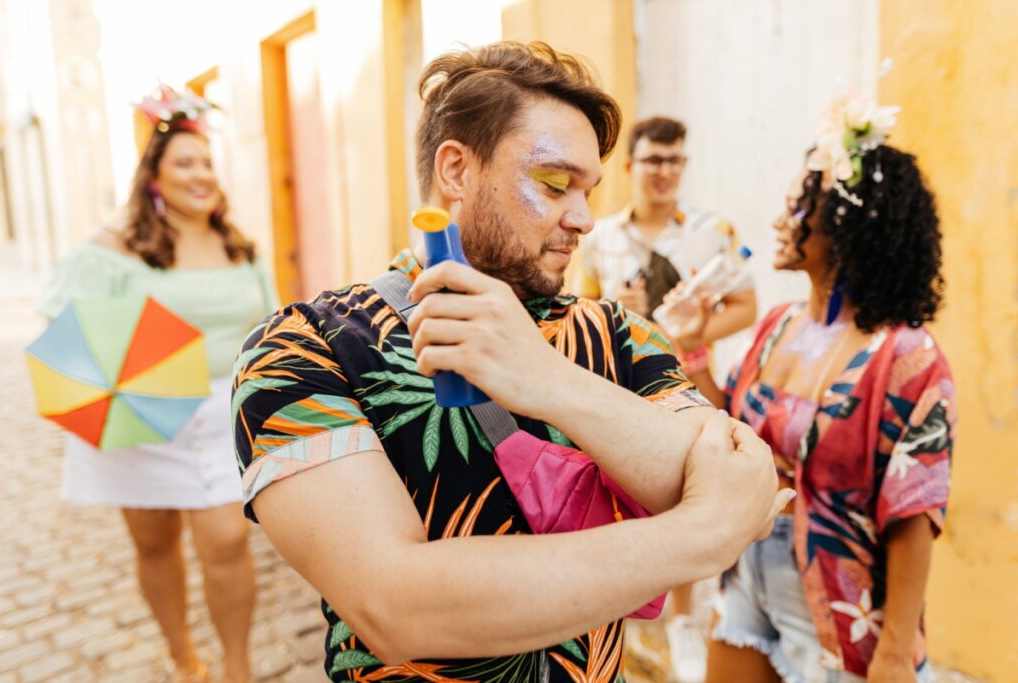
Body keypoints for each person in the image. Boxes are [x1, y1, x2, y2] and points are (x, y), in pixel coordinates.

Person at [231, 41, 792, 682]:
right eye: (554, 183)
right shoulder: (305, 347)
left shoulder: (618, 333)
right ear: (457, 172)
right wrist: (705, 534)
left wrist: (547, 378)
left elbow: (740, 471)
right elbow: (393, 606)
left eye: (589, 191)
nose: (582, 218)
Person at [680, 96, 954, 683]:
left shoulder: (906, 357)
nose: (780, 221)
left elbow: (914, 512)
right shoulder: (777, 324)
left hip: (840, 593)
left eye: (797, 207)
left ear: (848, 227)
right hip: (745, 571)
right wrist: (693, 349)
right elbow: (731, 428)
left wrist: (895, 653)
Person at [39, 86, 274, 683]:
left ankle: (238, 670)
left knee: (226, 540)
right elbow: (63, 323)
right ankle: (182, 658)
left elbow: (268, 323)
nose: (202, 175)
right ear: (154, 175)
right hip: (142, 406)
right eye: (185, 163)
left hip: (224, 408)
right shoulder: (119, 246)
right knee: (154, 543)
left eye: (207, 163)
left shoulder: (237, 245)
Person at [571, 116, 758, 682]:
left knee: (687, 491)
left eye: (676, 161)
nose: (666, 172)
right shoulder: (598, 235)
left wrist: (698, 331)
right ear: (630, 167)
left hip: (692, 383)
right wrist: (616, 308)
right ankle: (613, 625)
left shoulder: (713, 231)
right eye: (654, 160)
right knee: (614, 496)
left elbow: (745, 307)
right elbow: (580, 310)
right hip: (621, 390)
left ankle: (680, 623)